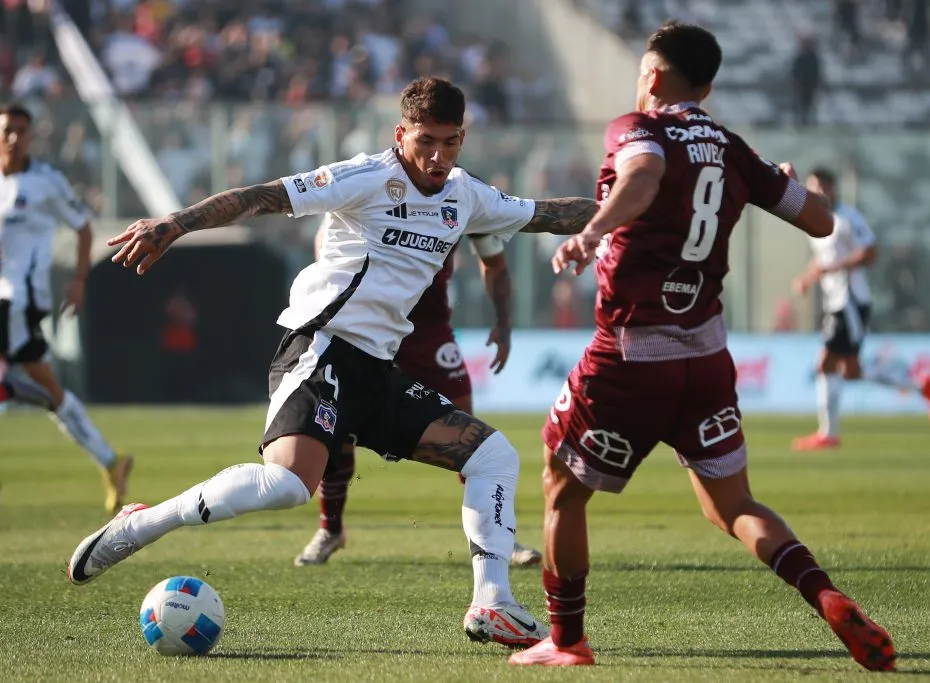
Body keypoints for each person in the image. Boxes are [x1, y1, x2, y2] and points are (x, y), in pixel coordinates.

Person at [67, 77, 597, 647]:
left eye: (451, 142)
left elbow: (549, 214)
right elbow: (261, 196)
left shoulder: (466, 194)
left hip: (375, 370)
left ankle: (492, 602)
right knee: (291, 485)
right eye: (426, 141)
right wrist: (175, 223)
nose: (438, 156)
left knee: (493, 456)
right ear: (402, 134)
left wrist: (632, 209)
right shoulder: (366, 176)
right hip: (320, 346)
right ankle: (145, 523)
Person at [509, 23, 895, 671]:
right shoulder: (733, 147)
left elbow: (641, 177)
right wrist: (790, 180)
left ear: (654, 77)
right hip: (707, 357)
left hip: (630, 355)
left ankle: (567, 640)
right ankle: (825, 594)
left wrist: (591, 231)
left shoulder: (638, 128)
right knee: (735, 505)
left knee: (561, 488)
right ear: (708, 86)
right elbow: (821, 220)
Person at [293, 217, 542, 568]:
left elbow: (494, 262)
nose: (439, 158)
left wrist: (503, 321)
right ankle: (330, 529)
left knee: (472, 436)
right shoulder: (371, 181)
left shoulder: (466, 192)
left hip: (429, 332)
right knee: (338, 430)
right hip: (368, 327)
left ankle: (499, 538)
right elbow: (326, 240)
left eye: (451, 155)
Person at [0, 103, 133, 513]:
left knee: (30, 382)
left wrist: (78, 280)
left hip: (18, 297)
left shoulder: (45, 182)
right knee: (49, 390)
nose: (14, 138)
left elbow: (83, 227)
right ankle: (112, 462)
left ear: (32, 136)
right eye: (7, 130)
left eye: (22, 130)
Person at [791, 168, 930, 451]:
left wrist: (833, 268)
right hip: (835, 302)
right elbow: (822, 259)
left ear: (834, 188)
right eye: (814, 187)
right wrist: (807, 279)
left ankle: (828, 433)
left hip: (850, 302)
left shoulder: (848, 218)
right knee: (851, 371)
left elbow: (870, 251)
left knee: (824, 363)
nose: (819, 192)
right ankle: (922, 387)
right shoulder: (816, 221)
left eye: (824, 186)